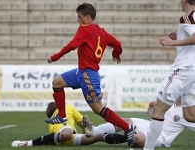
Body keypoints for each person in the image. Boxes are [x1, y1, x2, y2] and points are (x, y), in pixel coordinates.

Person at [44, 2, 135, 145]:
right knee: (57, 82)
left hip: (88, 74)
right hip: (80, 72)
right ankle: (62, 115)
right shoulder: (103, 33)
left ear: (87, 17)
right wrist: (116, 53)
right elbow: (117, 44)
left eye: (79, 17)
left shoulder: (84, 29)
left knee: (99, 109)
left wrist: (55, 57)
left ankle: (128, 127)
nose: (78, 20)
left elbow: (72, 45)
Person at [143, 1, 195, 149]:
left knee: (159, 110)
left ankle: (148, 149)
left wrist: (173, 43)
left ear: (184, 1)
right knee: (190, 115)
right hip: (192, 71)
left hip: (183, 70)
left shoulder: (187, 16)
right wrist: (178, 37)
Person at [11, 102, 121, 147]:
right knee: (96, 133)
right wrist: (88, 131)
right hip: (67, 133)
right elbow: (84, 124)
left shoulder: (51, 121)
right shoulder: (66, 106)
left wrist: (88, 133)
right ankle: (126, 127)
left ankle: (128, 132)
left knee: (99, 136)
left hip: (65, 140)